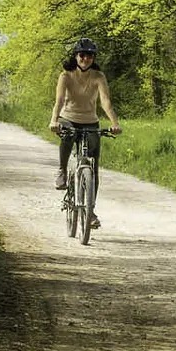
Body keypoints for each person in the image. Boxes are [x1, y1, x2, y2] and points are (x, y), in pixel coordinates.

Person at [50, 37, 121, 225]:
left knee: (93, 167)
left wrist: (114, 123)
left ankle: (90, 212)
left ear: (93, 57)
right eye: (82, 55)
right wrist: (54, 120)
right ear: (76, 56)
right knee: (68, 135)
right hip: (68, 118)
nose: (86, 59)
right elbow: (58, 101)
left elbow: (106, 102)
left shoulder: (98, 77)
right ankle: (62, 171)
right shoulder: (66, 76)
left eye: (90, 55)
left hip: (91, 122)